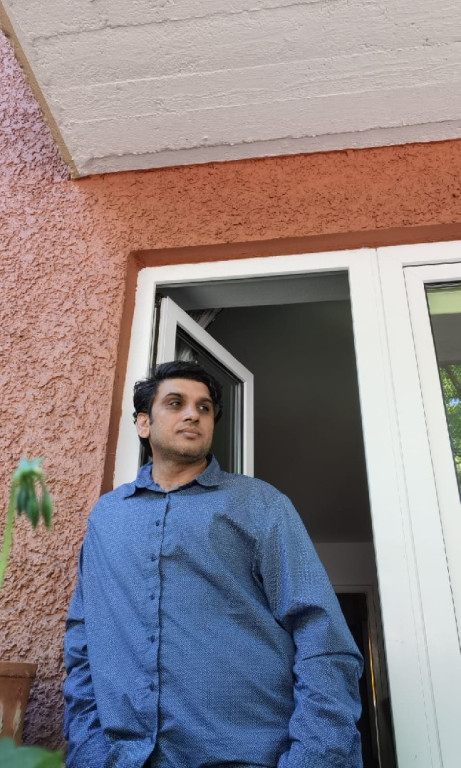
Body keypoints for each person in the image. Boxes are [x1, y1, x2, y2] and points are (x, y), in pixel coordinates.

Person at [63, 360, 363, 768]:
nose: (193, 414)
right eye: (176, 403)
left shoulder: (260, 505)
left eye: (204, 407)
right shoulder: (107, 516)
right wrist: (88, 750)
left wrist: (313, 757)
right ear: (143, 423)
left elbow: (322, 637)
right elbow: (83, 635)